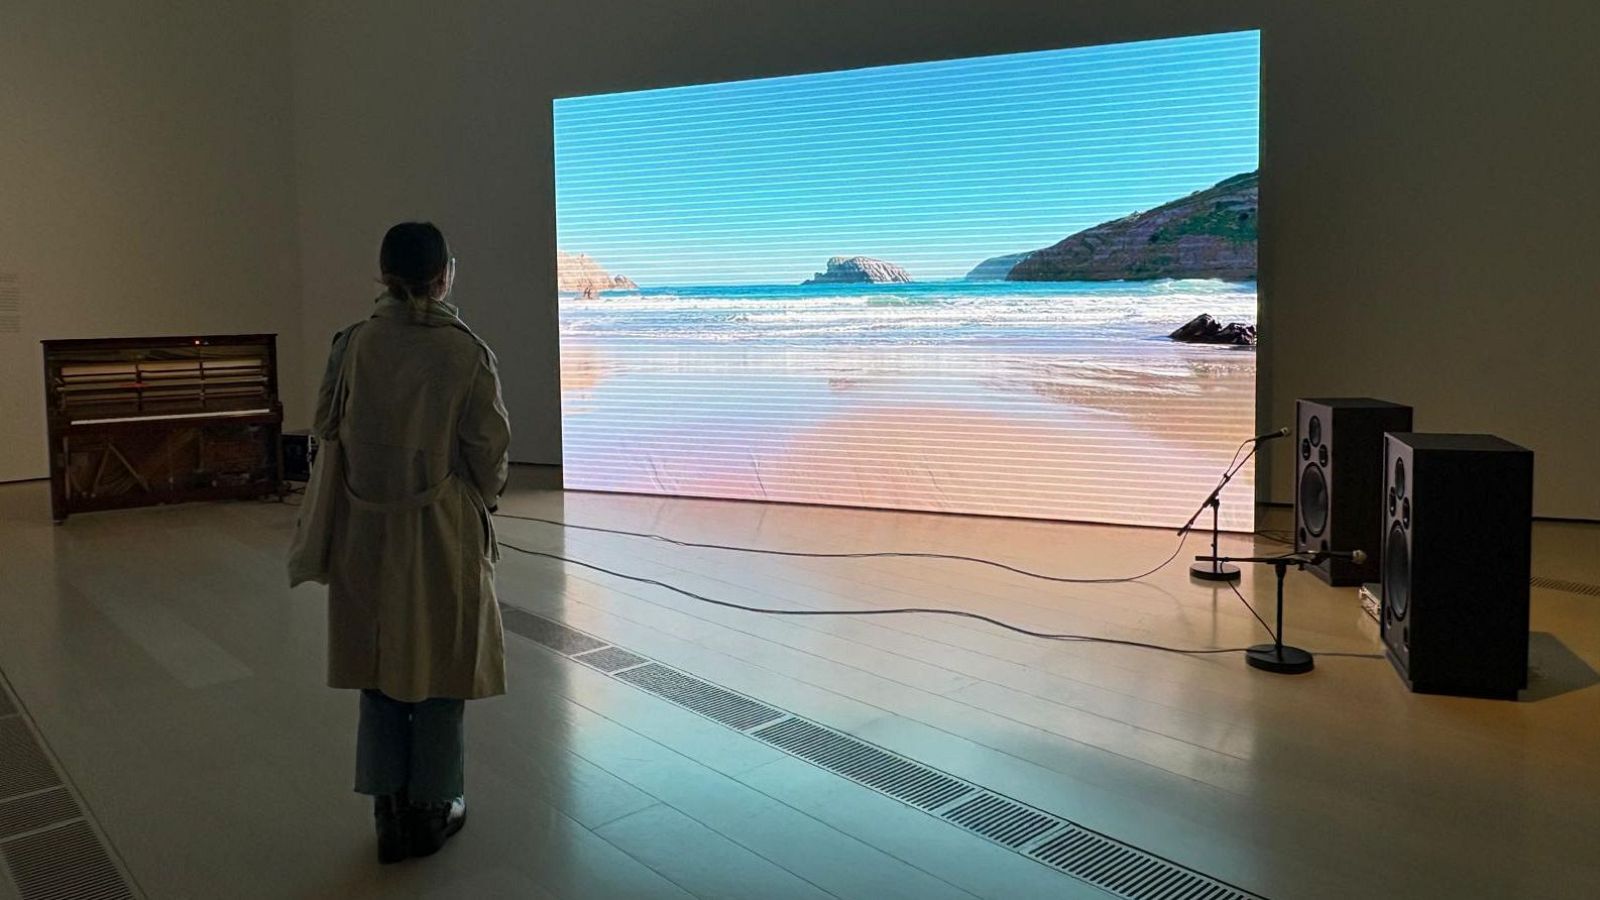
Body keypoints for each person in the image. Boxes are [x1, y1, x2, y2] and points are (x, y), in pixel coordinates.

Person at [311, 222, 511, 864]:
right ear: (445, 273)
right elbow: (490, 451)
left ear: (382, 273)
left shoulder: (353, 344)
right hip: (440, 527)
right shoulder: (464, 352)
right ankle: (432, 808)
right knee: (442, 666)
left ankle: (386, 808)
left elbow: (324, 426)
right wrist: (482, 497)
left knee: (378, 666)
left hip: (365, 526)